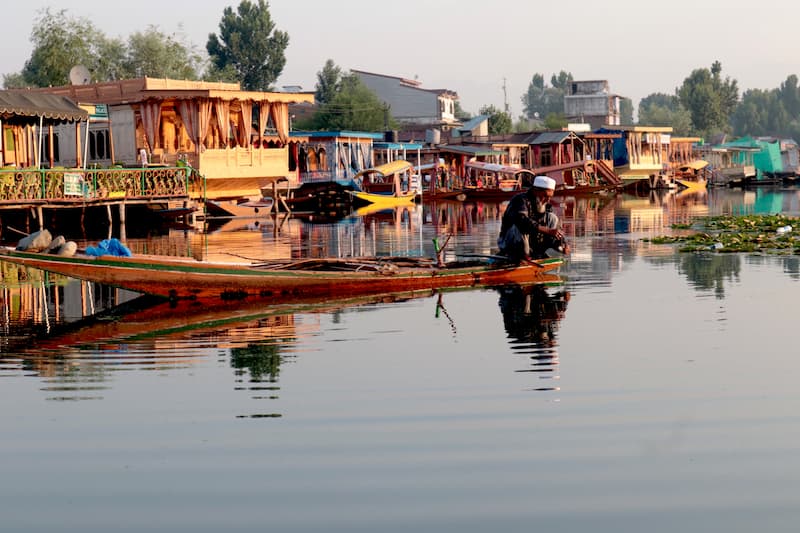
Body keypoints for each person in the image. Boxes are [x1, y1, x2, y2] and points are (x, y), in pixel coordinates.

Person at [497, 175, 570, 261]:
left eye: (550, 197)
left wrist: (563, 243)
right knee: (521, 225)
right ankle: (523, 255)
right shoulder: (520, 200)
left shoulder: (545, 205)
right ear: (535, 191)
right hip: (510, 243)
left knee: (552, 218)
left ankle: (538, 253)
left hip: (532, 244)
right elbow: (522, 222)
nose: (548, 200)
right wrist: (548, 231)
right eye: (545, 196)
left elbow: (554, 230)